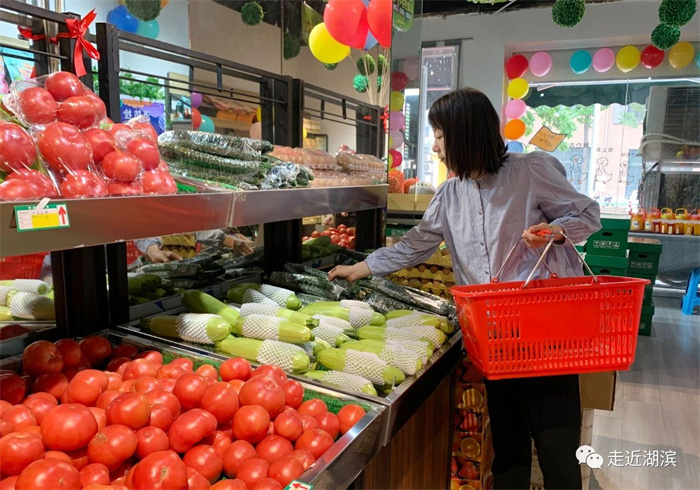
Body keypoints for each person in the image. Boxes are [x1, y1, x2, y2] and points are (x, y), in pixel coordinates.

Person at [329, 88, 601, 490]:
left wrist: (555, 231)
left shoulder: (530, 171)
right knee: (508, 447)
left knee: (556, 448)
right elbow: (416, 244)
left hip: (545, 334)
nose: (435, 147)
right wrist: (363, 267)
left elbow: (588, 214)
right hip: (495, 337)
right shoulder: (449, 195)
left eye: (440, 136)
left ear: (466, 133)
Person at [136, 229, 254, 263]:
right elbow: (142, 232)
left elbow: (198, 227)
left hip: (189, 267)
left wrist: (231, 241)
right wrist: (152, 250)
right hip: (161, 269)